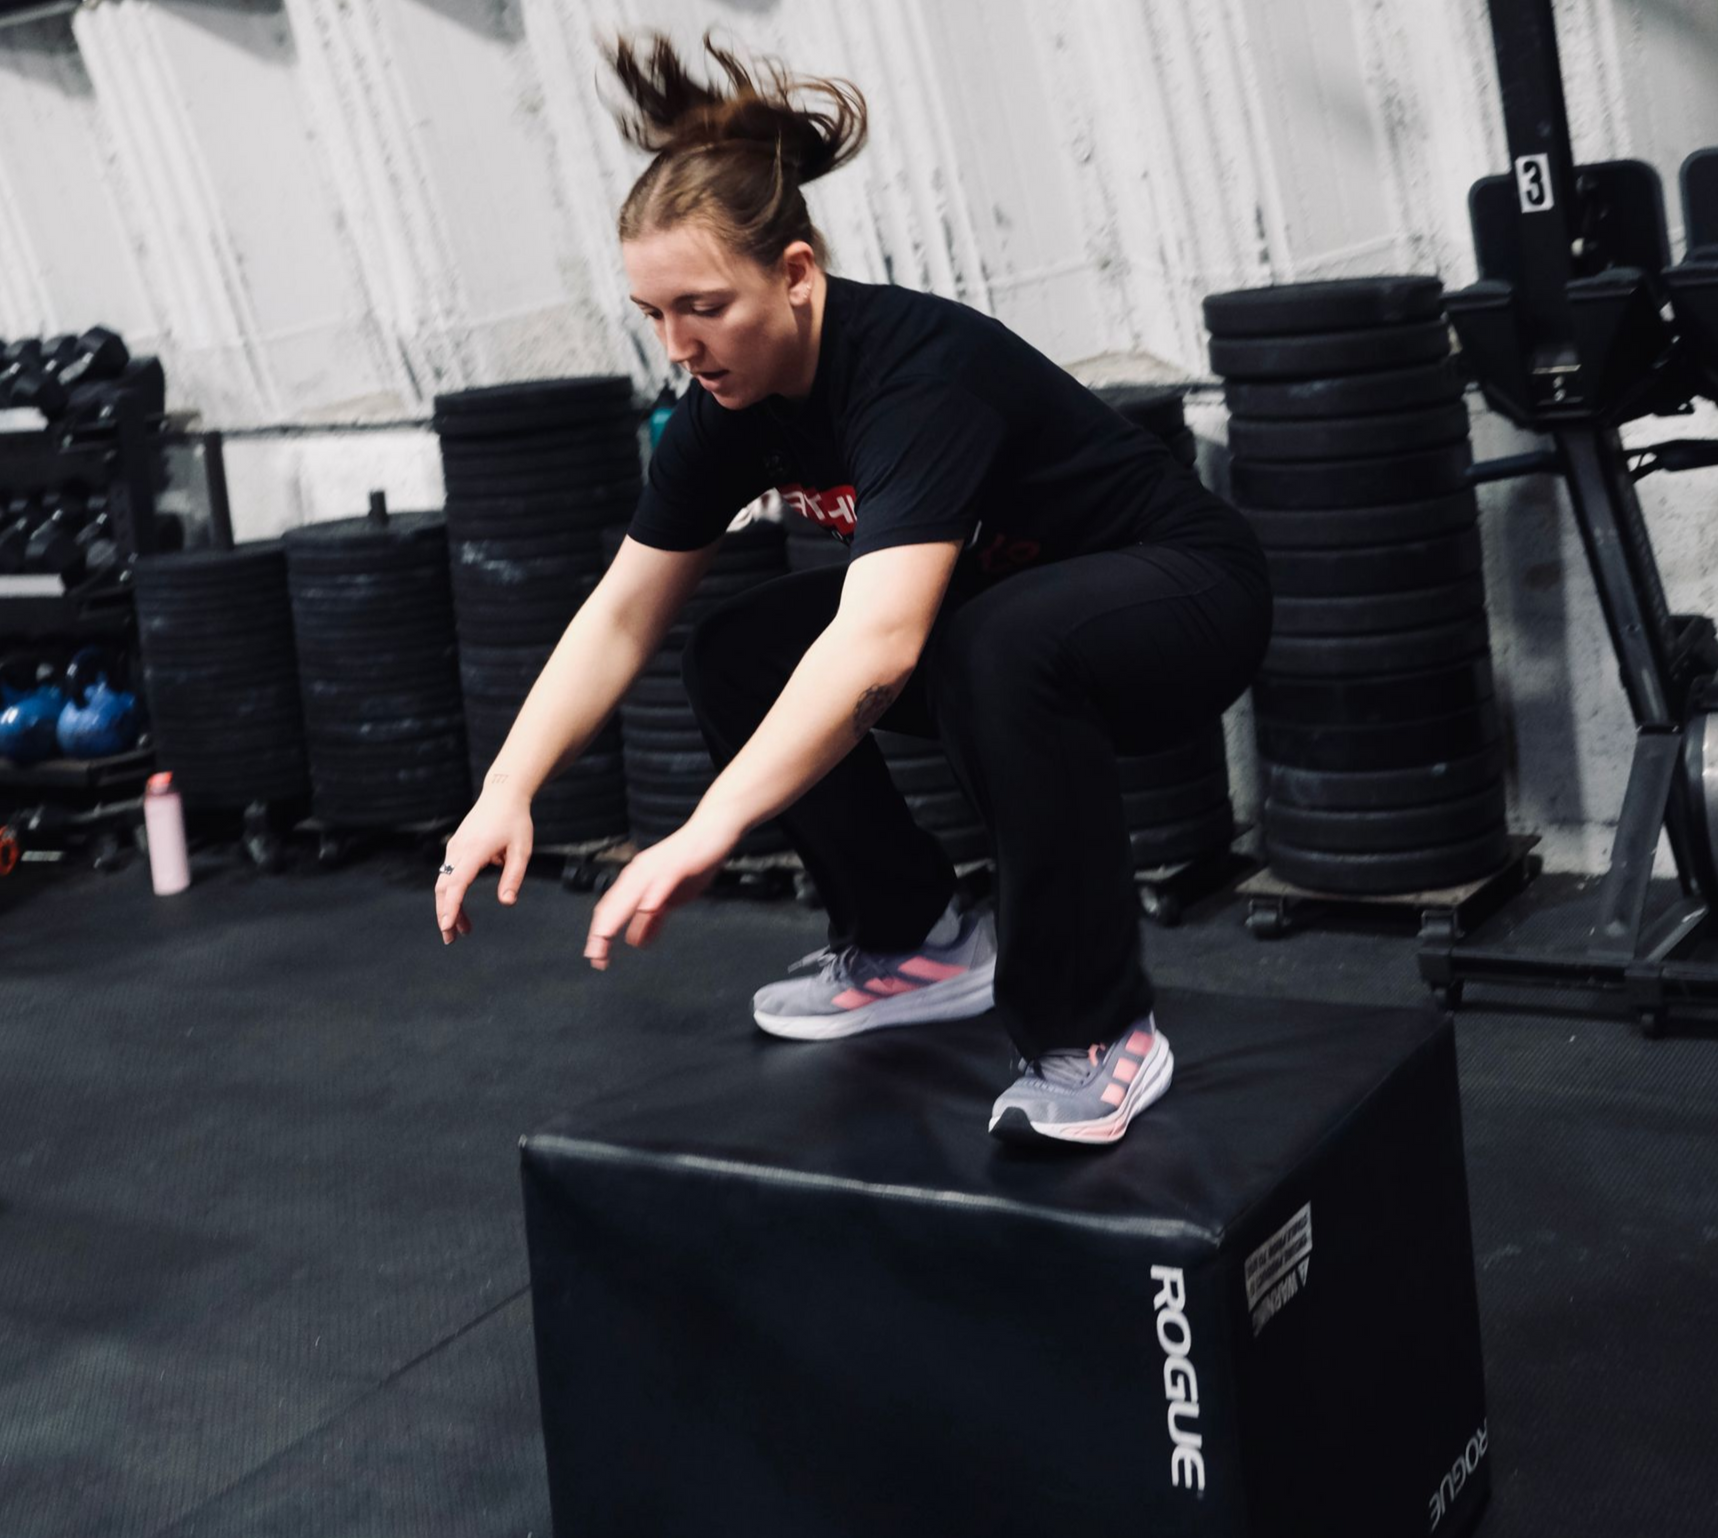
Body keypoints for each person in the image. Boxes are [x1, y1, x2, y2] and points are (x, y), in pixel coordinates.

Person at [433, 34, 1271, 1147]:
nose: (680, 345)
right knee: (737, 645)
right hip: (1010, 613)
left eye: (703, 306)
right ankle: (915, 938)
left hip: (1188, 599)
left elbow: (880, 645)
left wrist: (706, 826)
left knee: (996, 645)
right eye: (653, 316)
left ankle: (1099, 1029)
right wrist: (509, 785)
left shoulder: (916, 370)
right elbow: (623, 610)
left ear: (795, 273)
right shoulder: (724, 405)